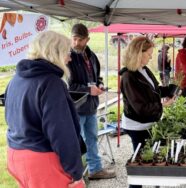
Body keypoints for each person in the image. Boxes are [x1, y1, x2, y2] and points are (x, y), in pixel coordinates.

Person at [5, 31, 85, 188]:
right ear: (55, 53)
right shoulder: (51, 83)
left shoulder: (16, 79)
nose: (69, 58)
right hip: (41, 160)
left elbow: (9, 118)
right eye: (68, 53)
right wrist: (76, 172)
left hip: (15, 154)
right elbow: (61, 132)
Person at [120, 36, 175, 188]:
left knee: (150, 160)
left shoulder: (142, 69)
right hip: (137, 126)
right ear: (138, 52)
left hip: (148, 123)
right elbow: (141, 108)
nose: (151, 56)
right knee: (140, 164)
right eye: (148, 53)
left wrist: (168, 90)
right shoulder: (128, 76)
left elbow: (153, 90)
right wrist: (163, 106)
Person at [67, 23, 116, 180]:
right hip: (76, 108)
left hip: (91, 106)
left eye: (80, 40)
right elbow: (69, 86)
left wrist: (99, 84)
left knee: (92, 139)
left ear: (87, 39)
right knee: (75, 143)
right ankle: (75, 176)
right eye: (74, 39)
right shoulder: (67, 57)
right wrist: (89, 90)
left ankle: (95, 170)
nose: (76, 43)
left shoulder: (92, 56)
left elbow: (97, 77)